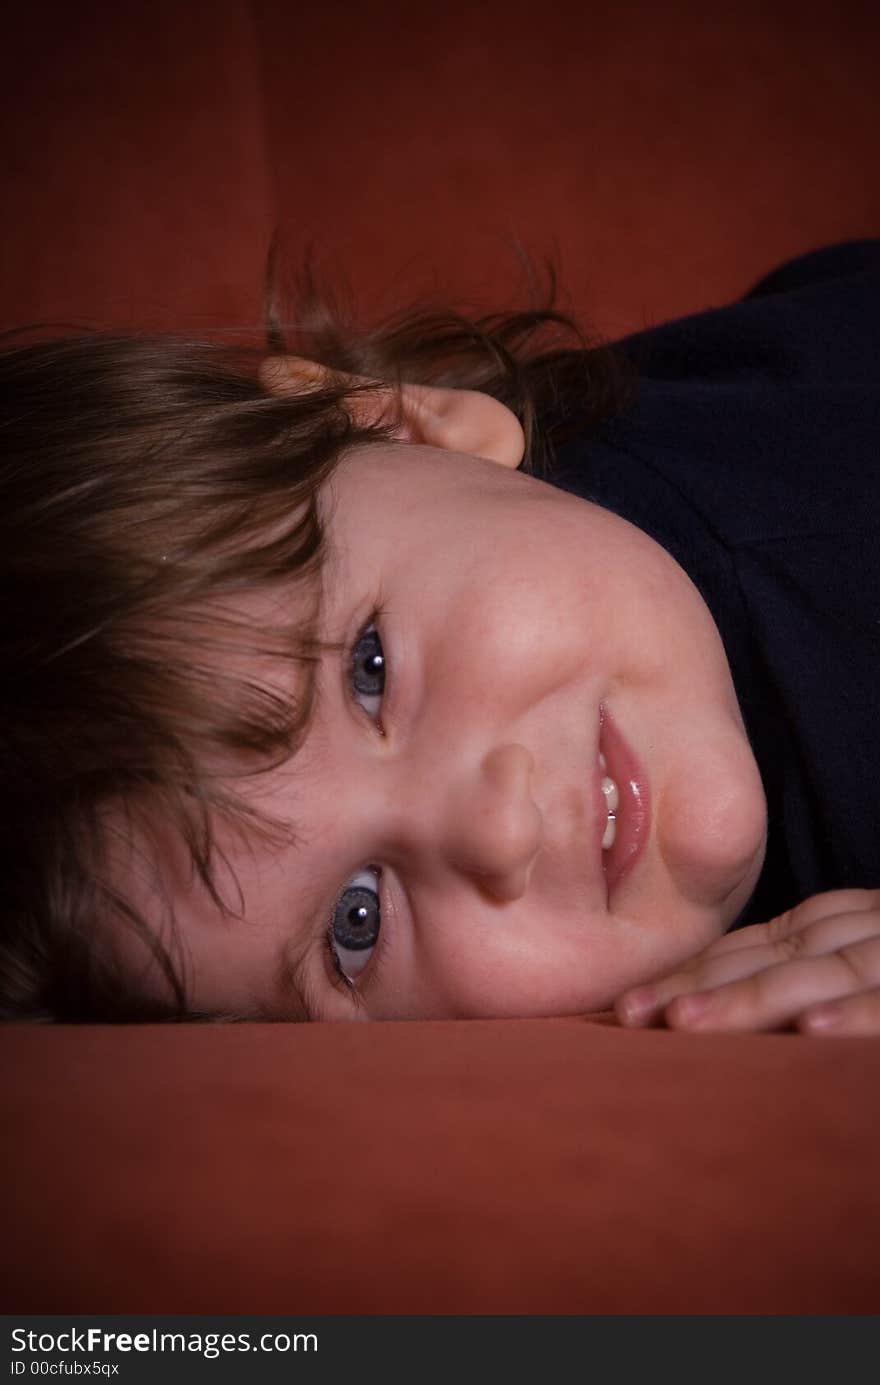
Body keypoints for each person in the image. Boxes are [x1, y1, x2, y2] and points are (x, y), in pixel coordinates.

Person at [2, 241, 878, 1033]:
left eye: (371, 669)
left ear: (404, 424)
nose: (500, 830)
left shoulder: (825, 491)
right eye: (358, 919)